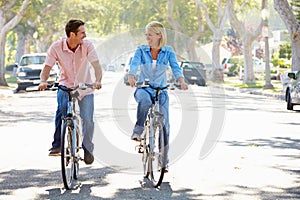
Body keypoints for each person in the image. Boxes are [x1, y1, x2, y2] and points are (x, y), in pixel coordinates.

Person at [38, 19, 102, 165]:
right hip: (65, 85)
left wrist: (97, 80)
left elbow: (97, 66)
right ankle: (57, 145)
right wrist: (43, 81)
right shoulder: (56, 47)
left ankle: (87, 148)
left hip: (85, 87)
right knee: (62, 111)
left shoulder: (87, 45)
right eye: (82, 33)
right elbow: (47, 68)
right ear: (72, 34)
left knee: (88, 119)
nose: (85, 35)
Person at [128, 21, 188, 172]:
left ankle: (163, 161)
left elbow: (175, 67)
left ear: (159, 35)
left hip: (161, 90)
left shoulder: (168, 51)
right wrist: (131, 75)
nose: (147, 37)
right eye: (146, 34)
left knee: (165, 125)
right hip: (144, 88)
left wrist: (181, 80)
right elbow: (135, 64)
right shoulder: (141, 50)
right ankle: (139, 128)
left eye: (150, 34)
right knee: (144, 101)